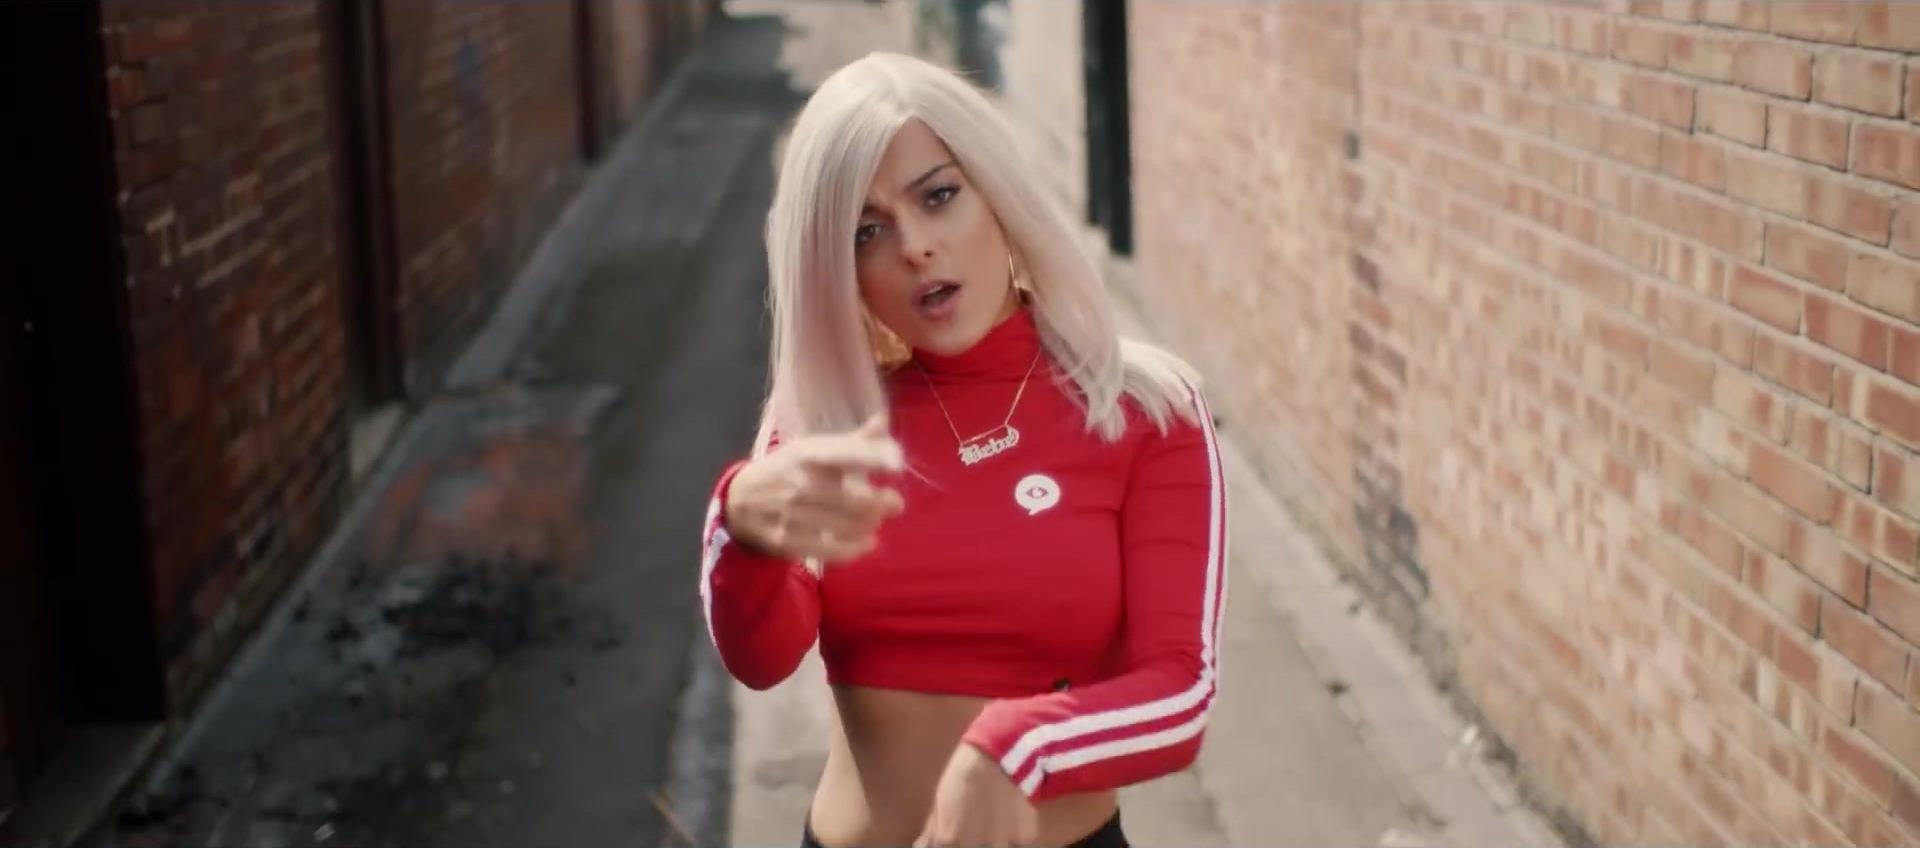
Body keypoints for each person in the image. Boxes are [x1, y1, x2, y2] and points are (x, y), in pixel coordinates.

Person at [697, 51, 1227, 848]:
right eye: (866, 231)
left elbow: (1179, 695)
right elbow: (762, 659)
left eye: (938, 196)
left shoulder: (1143, 408)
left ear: (998, 196)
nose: (914, 247)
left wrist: (1018, 748)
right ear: (838, 269)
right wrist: (738, 524)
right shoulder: (828, 425)